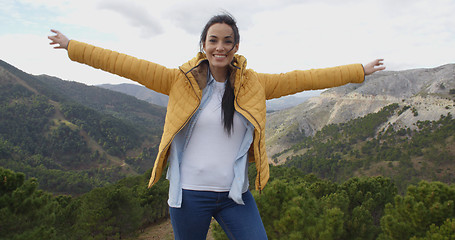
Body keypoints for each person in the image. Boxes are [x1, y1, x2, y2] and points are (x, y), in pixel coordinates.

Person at [49, 13, 385, 240]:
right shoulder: (178, 81)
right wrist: (72, 46)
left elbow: (306, 79)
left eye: (227, 41)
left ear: (236, 47)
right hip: (189, 196)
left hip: (234, 196)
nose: (220, 47)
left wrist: (359, 70)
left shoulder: (255, 83)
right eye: (213, 40)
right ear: (203, 45)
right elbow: (125, 64)